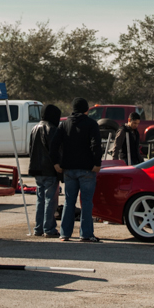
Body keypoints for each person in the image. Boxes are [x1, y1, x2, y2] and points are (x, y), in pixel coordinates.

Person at [50, 97, 103, 243]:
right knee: (86, 202)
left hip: (68, 169)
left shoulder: (64, 124)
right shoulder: (91, 124)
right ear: (86, 110)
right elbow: (96, 145)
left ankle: (65, 234)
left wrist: (56, 163)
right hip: (87, 169)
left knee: (69, 201)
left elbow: (53, 145)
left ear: (73, 109)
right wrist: (97, 163)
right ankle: (85, 234)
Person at [27, 104, 62, 238]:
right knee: (50, 200)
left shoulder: (34, 128)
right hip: (49, 169)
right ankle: (49, 228)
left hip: (37, 169)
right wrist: (58, 165)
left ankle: (38, 228)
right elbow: (55, 151)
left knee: (40, 200)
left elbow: (31, 149)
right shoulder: (52, 129)